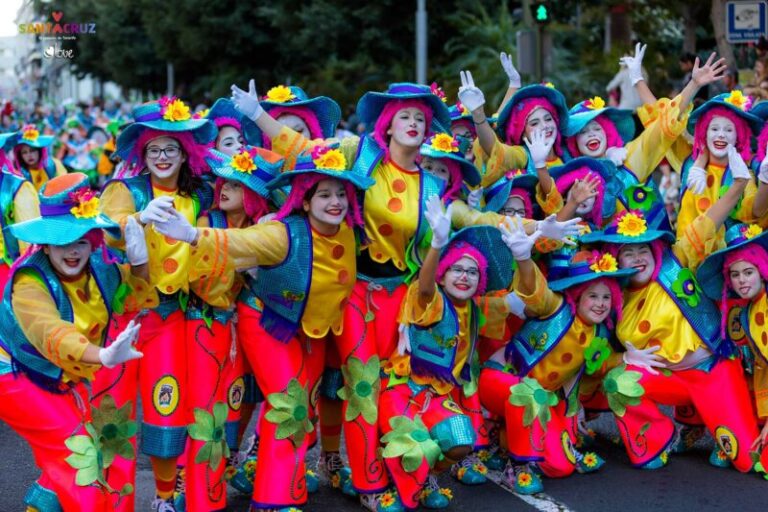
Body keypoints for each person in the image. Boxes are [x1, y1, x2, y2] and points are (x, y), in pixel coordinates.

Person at [152, 146, 375, 512]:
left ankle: (273, 484)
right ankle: (271, 500)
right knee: (288, 405)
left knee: (301, 409)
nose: (334, 202)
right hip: (266, 323)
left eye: (340, 194)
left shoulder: (348, 233)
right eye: (324, 195)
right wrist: (192, 234)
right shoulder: (282, 233)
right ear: (304, 201)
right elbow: (240, 242)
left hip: (312, 331)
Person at [580, 176, 762, 471]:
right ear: (617, 258)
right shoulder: (610, 299)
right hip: (671, 379)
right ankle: (656, 441)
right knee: (618, 381)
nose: (637, 257)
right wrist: (623, 358)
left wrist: (740, 184)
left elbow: (709, 221)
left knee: (748, 461)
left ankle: (719, 424)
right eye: (628, 252)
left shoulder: (675, 261)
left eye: (643, 249)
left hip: (712, 372)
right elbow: (589, 352)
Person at [0, 173, 149, 512]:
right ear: (46, 243)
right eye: (62, 241)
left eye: (80, 239)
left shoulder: (99, 267)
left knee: (86, 445)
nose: (72, 250)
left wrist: (139, 265)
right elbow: (51, 333)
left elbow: (130, 298)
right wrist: (102, 354)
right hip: (13, 373)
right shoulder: (29, 282)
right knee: (79, 453)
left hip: (53, 371)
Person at [98, 96, 217, 511]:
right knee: (111, 412)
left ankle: (165, 497)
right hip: (126, 316)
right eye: (154, 149)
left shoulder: (199, 196)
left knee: (169, 403)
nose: (163, 157)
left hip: (173, 315)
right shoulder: (124, 190)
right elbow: (105, 230)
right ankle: (105, 498)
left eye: (171, 149)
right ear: (142, 153)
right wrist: (136, 220)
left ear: (186, 153)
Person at [479, 217, 634, 494]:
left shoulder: (598, 332)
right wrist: (524, 258)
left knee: (559, 466)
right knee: (526, 395)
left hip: (539, 398)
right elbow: (535, 294)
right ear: (577, 295)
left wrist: (631, 359)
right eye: (592, 296)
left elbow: (589, 374)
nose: (599, 304)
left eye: (605, 298)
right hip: (500, 382)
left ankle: (502, 437)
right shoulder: (556, 307)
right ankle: (517, 468)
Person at [381, 207, 515, 509]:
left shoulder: (474, 309)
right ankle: (393, 479)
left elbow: (523, 303)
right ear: (443, 273)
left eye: (472, 272)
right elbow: (426, 286)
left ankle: (427, 477)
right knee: (417, 446)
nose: (464, 277)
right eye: (457, 269)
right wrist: (438, 245)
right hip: (402, 392)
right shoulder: (431, 297)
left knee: (461, 443)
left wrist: (525, 256)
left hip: (438, 396)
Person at [697, 223, 768, 475]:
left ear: (762, 271)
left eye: (748, 272)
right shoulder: (749, 308)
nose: (741, 280)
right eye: (735, 275)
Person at [11, 124, 67, 191]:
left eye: (32, 150)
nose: (29, 155)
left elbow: (65, 184)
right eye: (24, 152)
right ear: (20, 155)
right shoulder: (19, 174)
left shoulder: (53, 164)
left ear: (39, 151)